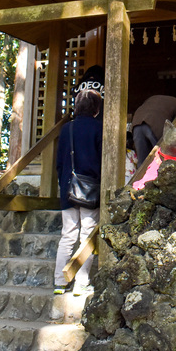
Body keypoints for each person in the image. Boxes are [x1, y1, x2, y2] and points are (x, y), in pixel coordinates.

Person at [54, 89, 103, 296]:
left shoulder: (67, 129)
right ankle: (81, 282)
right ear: (96, 108)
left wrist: (62, 184)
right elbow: (103, 160)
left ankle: (59, 282)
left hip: (67, 187)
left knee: (68, 234)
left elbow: (59, 162)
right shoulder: (99, 128)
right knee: (87, 235)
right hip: (89, 187)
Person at [130, 94, 176, 163]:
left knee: (142, 160)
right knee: (161, 156)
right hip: (155, 124)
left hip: (137, 123)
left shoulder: (152, 99)